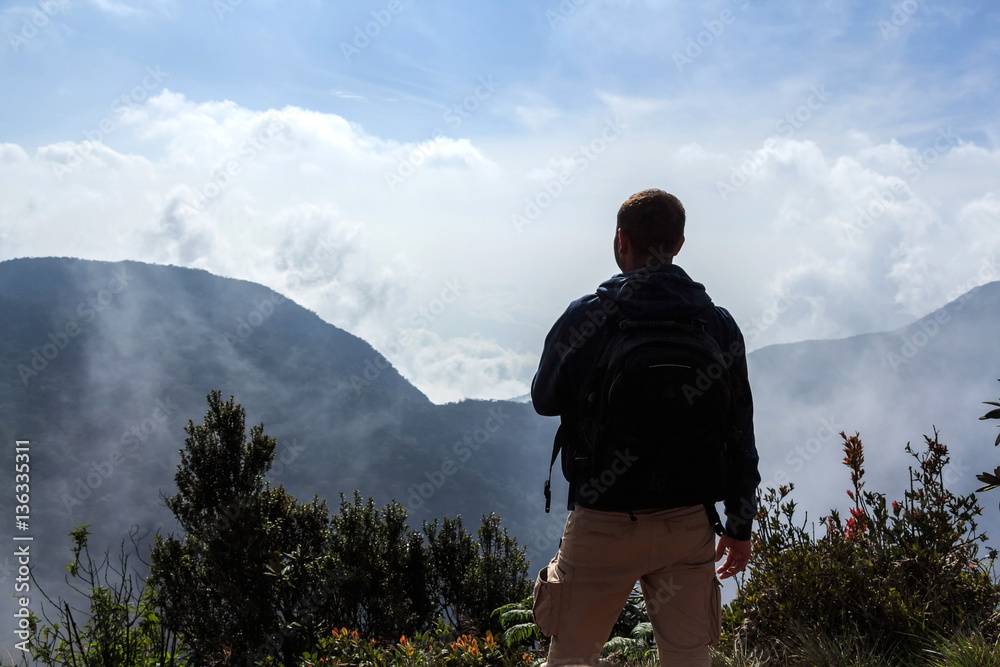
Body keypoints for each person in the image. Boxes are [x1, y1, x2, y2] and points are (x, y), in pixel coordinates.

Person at [530, 188, 760, 666]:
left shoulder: (589, 316)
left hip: (603, 522)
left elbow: (543, 399)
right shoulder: (716, 325)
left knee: (572, 657)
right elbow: (739, 430)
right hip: (687, 522)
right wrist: (739, 524)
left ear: (621, 242)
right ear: (679, 244)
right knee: (687, 658)